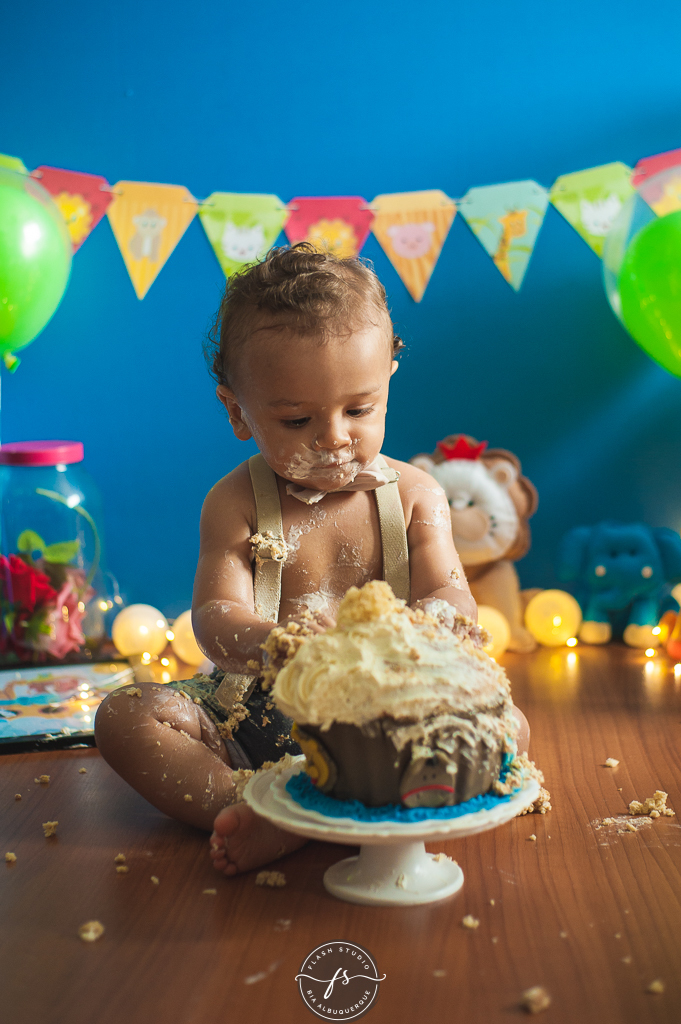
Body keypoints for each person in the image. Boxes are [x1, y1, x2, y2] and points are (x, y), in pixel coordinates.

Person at [95, 243, 529, 876]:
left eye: (359, 409)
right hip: (258, 715)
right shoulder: (235, 503)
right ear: (237, 411)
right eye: (297, 419)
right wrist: (279, 642)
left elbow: (453, 597)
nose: (333, 436)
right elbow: (215, 618)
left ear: (387, 384)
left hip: (389, 716)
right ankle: (257, 805)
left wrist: (422, 629)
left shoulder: (416, 496)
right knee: (126, 717)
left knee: (508, 726)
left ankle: (319, 809)